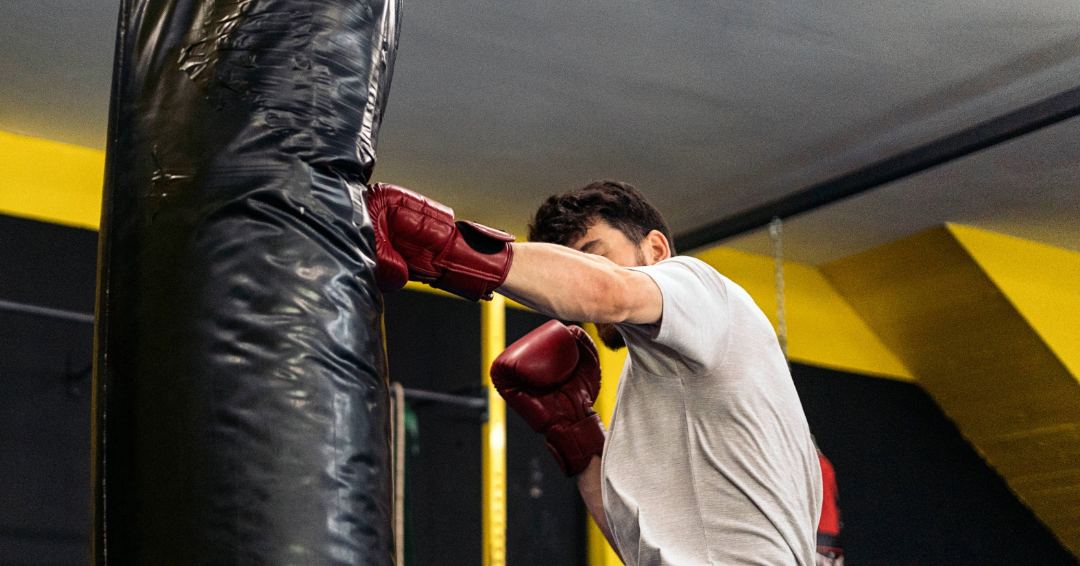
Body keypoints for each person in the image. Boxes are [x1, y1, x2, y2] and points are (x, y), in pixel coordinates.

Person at [366, 180, 822, 566]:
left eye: (592, 253)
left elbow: (609, 290)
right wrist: (577, 439)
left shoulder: (700, 287)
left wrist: (449, 247)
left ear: (656, 248)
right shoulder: (656, 380)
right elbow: (641, 544)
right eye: (568, 262)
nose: (577, 275)